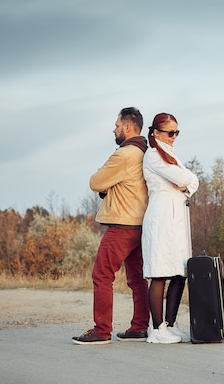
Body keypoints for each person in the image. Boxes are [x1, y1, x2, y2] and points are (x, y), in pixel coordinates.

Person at [72, 107, 150, 345]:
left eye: (116, 125)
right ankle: (139, 327)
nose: (113, 129)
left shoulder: (124, 154)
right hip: (141, 225)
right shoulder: (145, 153)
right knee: (137, 278)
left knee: (102, 275)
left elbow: (95, 182)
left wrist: (108, 185)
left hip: (121, 225)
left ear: (127, 127)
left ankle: (102, 330)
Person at [142, 112, 199, 344]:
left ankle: (171, 324)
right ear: (156, 132)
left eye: (177, 132)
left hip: (178, 219)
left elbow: (192, 181)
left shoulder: (172, 155)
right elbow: (185, 179)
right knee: (160, 272)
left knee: (179, 272)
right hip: (161, 218)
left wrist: (186, 182)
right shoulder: (153, 155)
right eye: (170, 132)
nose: (174, 136)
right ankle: (156, 329)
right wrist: (186, 180)